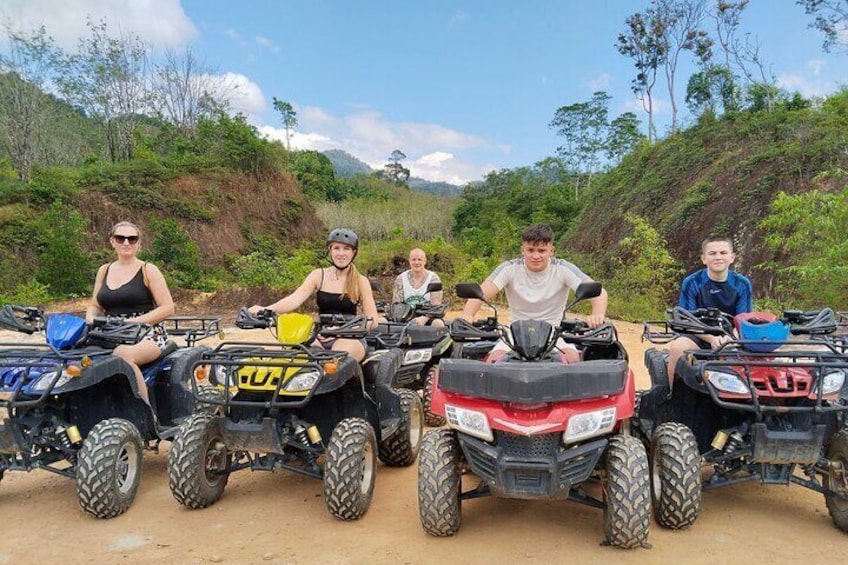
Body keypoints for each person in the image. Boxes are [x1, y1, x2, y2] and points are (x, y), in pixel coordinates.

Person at [460, 223, 608, 363]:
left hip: (553, 334)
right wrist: (468, 314)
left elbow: (599, 292)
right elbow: (481, 292)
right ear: (522, 250)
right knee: (493, 361)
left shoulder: (562, 269)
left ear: (551, 250)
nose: (536, 256)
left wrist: (597, 314)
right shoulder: (509, 268)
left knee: (572, 360)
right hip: (514, 334)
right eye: (531, 250)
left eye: (542, 251)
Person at [249, 228, 379, 363]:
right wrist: (266, 310)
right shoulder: (318, 275)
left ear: (354, 252)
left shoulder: (360, 281)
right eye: (336, 248)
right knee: (298, 356)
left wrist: (346, 328)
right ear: (330, 250)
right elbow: (294, 299)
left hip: (349, 337)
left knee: (336, 359)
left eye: (346, 249)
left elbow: (373, 320)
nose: (341, 253)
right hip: (320, 335)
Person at [85, 221, 175, 405]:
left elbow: (167, 307)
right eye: (121, 238)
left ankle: (144, 411)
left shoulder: (148, 270)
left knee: (123, 355)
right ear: (112, 241)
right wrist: (90, 317)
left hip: (147, 332)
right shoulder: (104, 270)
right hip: (110, 331)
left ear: (138, 243)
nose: (126, 242)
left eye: (132, 239)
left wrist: (133, 322)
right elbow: (95, 304)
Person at [665, 235, 753, 387]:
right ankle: (671, 394)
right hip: (697, 335)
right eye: (712, 253)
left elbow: (742, 319)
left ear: (732, 257)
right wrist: (711, 339)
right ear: (704, 258)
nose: (718, 257)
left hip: (729, 337)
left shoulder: (742, 284)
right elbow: (687, 320)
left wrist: (730, 339)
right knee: (678, 348)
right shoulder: (692, 282)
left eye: (723, 253)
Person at [393, 247, 444, 326]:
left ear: (425, 261)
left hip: (428, 316)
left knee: (438, 324)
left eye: (419, 260)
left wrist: (424, 318)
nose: (416, 263)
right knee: (382, 321)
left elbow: (436, 307)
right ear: (409, 261)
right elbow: (396, 304)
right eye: (414, 260)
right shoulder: (401, 279)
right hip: (405, 315)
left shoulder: (433, 278)